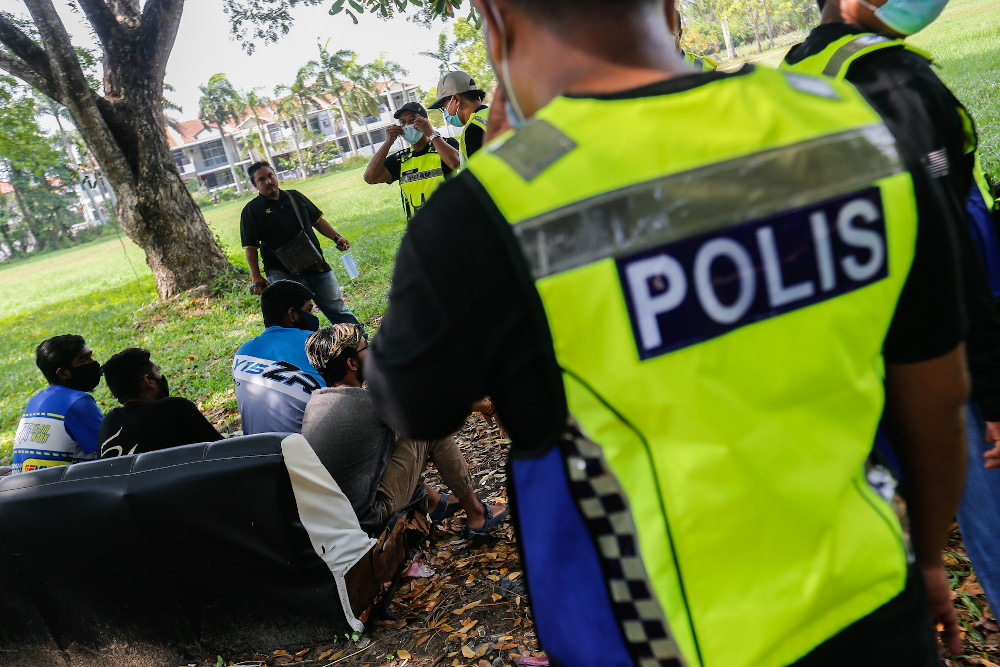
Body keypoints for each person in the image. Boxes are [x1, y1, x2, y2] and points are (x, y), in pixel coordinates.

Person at [365, 0, 969, 665]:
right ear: (671, 7)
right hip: (877, 610)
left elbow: (411, 399)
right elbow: (939, 390)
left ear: (494, 16)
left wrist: (500, 168)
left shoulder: (491, 211)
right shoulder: (848, 127)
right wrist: (932, 558)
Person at [783, 0, 1000, 630]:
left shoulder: (799, 75)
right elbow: (951, 255)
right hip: (942, 355)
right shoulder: (892, 80)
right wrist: (991, 391)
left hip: (857, 356)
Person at [301, 324, 507, 537]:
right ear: (352, 363)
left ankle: (433, 503)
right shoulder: (371, 403)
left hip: (336, 518)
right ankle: (477, 515)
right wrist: (488, 407)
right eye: (367, 349)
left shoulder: (317, 403)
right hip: (367, 517)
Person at [240, 160, 360, 326]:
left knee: (337, 310)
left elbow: (317, 221)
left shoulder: (295, 196)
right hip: (281, 272)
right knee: (294, 319)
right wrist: (256, 276)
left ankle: (361, 344)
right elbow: (250, 247)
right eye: (261, 179)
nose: (268, 181)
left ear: (275, 175)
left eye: (270, 176)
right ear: (255, 185)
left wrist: (336, 237)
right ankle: (307, 351)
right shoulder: (251, 211)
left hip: (316, 265)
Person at [233, 280, 326, 435]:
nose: (312, 316)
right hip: (307, 449)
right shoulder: (313, 342)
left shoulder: (242, 352)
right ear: (292, 314)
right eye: (309, 311)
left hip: (256, 451)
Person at [98, 348, 222, 458]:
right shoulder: (177, 408)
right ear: (148, 381)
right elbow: (224, 451)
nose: (161, 377)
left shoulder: (108, 424)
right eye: (157, 372)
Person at [12, 335, 102, 474]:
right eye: (84, 360)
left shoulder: (35, 401)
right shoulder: (78, 402)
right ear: (62, 373)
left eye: (91, 356)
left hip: (27, 491)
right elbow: (109, 450)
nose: (93, 363)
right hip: (63, 492)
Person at [363, 102, 461, 220]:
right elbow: (370, 178)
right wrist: (388, 142)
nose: (407, 125)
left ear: (425, 120)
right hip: (419, 232)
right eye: (403, 122)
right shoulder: (400, 159)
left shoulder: (445, 144)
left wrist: (431, 133)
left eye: (412, 119)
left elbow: (455, 162)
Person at [428, 70, 490, 166]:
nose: (446, 112)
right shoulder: (493, 114)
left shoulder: (474, 129)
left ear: (456, 100)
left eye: (444, 107)